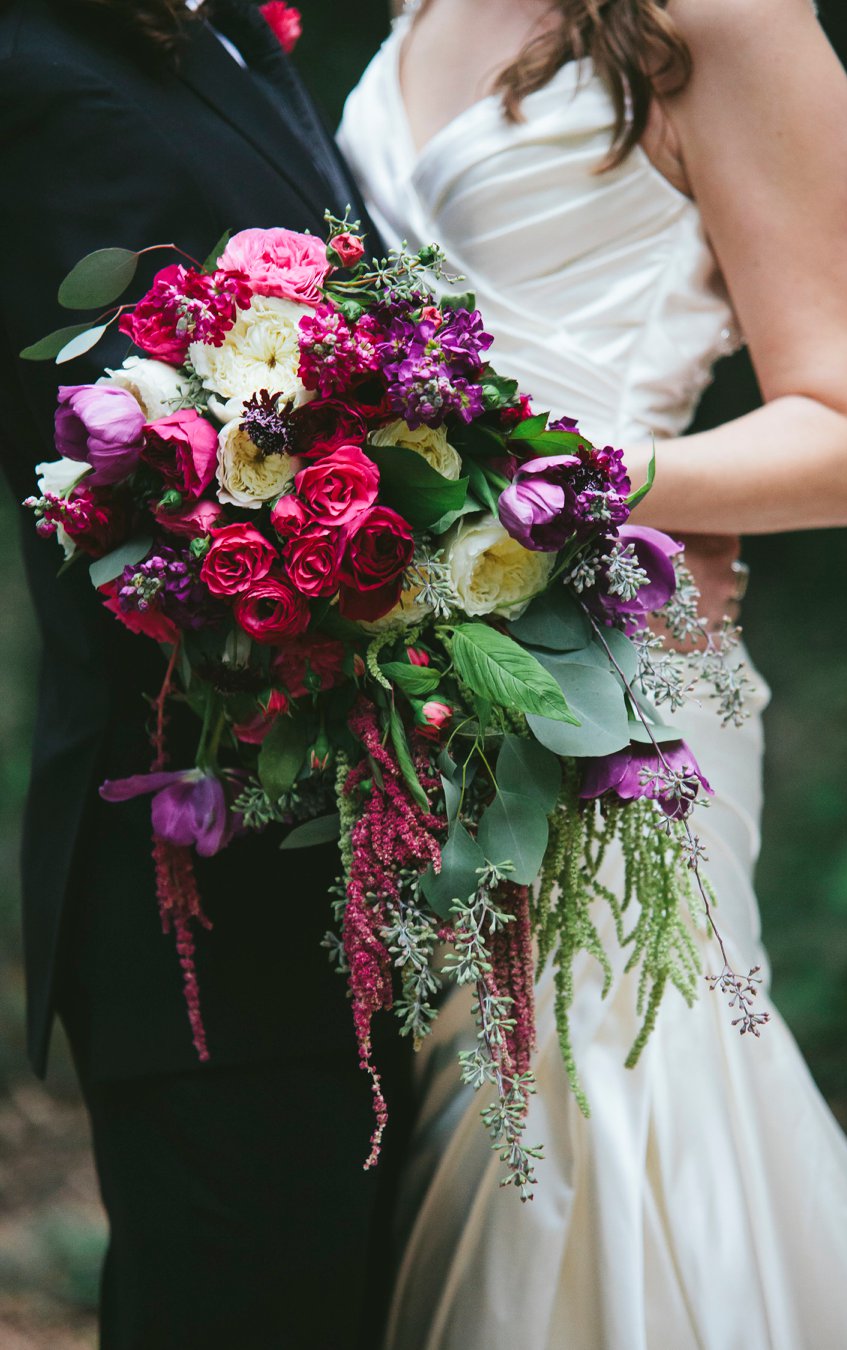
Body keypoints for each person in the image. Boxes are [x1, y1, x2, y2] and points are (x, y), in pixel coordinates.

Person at [338, 1, 847, 1345]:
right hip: (406, 692)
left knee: (605, 1109)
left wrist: (543, 482)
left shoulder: (722, 17)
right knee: (468, 1117)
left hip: (619, 682)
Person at [0, 2, 408, 1346]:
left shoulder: (233, 38)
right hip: (205, 879)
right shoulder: (38, 70)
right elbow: (110, 477)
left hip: (358, 865)